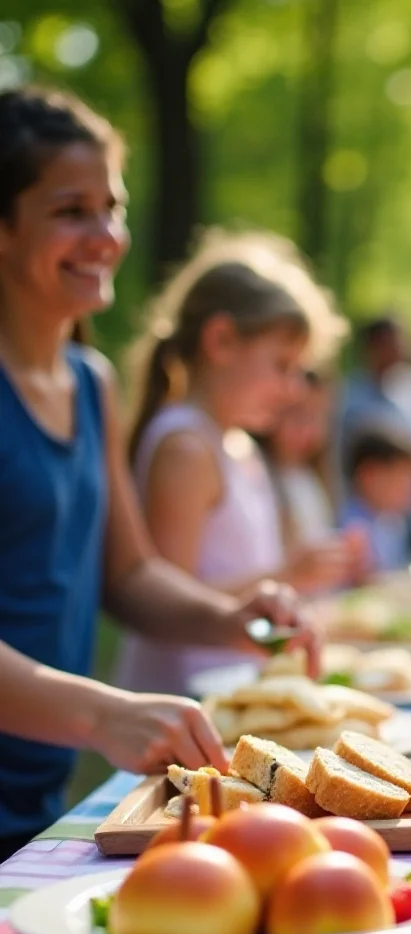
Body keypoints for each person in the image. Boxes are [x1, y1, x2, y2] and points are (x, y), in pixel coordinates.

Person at [0, 86, 314, 861]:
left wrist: (229, 616)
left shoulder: (90, 384)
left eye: (113, 207)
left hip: (35, 795)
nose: (104, 236)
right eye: (71, 211)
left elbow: (131, 573)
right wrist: (103, 714)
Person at [113, 229, 354, 696]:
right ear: (221, 340)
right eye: (282, 365)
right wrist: (289, 574)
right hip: (181, 700)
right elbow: (165, 605)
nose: (294, 389)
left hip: (229, 688)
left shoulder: (237, 445)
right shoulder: (185, 448)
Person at [334, 316, 411, 551]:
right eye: (387, 344)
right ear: (370, 348)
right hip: (370, 512)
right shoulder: (348, 398)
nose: (396, 351)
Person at [261, 369, 339, 549]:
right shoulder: (259, 476)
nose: (309, 428)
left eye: (319, 417)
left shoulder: (313, 477)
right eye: (298, 415)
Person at [338, 425, 411, 573]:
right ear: (369, 475)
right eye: (400, 482)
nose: (410, 493)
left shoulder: (393, 523)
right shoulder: (348, 527)